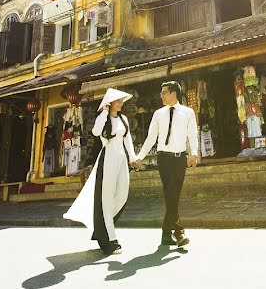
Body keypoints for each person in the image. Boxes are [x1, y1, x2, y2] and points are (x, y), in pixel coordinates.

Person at [63, 88, 138, 256]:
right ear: (109, 103)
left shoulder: (124, 119)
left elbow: (128, 140)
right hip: (108, 158)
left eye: (121, 101)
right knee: (105, 198)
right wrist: (104, 112)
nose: (121, 104)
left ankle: (102, 227)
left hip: (121, 159)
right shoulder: (103, 119)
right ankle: (110, 239)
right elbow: (96, 132)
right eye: (118, 101)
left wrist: (132, 157)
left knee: (122, 195)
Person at [135, 80, 200, 247]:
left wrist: (193, 154)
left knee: (174, 195)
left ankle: (165, 233)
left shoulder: (188, 112)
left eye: (164, 92)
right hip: (164, 158)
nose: (161, 95)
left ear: (173, 93)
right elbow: (151, 138)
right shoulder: (158, 114)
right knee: (169, 192)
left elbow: (192, 134)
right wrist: (140, 157)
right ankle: (179, 232)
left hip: (180, 158)